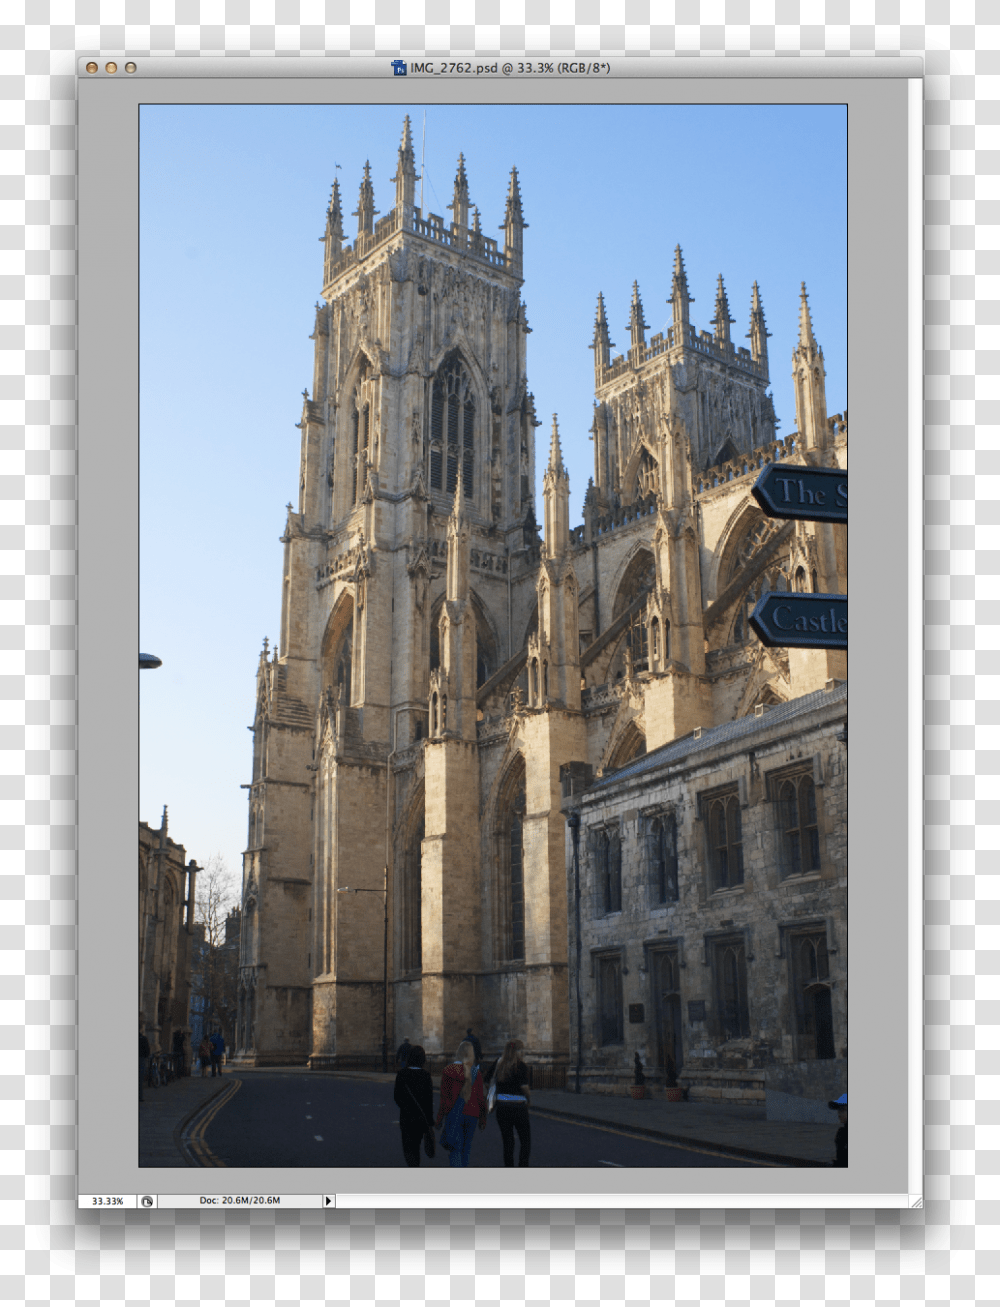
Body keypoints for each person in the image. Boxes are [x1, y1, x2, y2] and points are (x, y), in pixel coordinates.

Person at [435, 1040, 487, 1168]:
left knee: (455, 1150)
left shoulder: (448, 1071)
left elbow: (444, 1099)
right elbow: (481, 1098)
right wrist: (483, 1119)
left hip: (454, 1115)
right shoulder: (476, 1073)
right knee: (466, 1149)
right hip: (472, 1116)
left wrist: (439, 1119)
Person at [491, 1039, 532, 1167]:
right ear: (517, 1051)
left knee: (508, 1142)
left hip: (502, 1108)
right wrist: (529, 1099)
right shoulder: (521, 1066)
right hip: (518, 1107)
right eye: (522, 1049)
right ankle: (522, 1166)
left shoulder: (498, 1064)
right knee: (525, 1140)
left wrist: (498, 1092)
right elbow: (524, 1087)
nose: (523, 1052)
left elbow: (487, 1081)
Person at [393, 1044, 434, 1166]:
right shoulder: (426, 1076)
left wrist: (406, 1107)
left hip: (406, 1118)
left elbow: (397, 1097)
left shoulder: (402, 1074)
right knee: (417, 1146)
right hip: (421, 1120)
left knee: (408, 1149)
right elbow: (428, 1101)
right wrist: (430, 1122)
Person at [828, 1093, 847, 1166]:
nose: (839, 1113)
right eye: (839, 1110)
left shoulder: (843, 1132)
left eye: (842, 1110)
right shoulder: (842, 1131)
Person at [139, 1027, 150, 1102]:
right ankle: (140, 1096)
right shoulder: (143, 1038)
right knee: (140, 1079)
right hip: (141, 1059)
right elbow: (147, 1051)